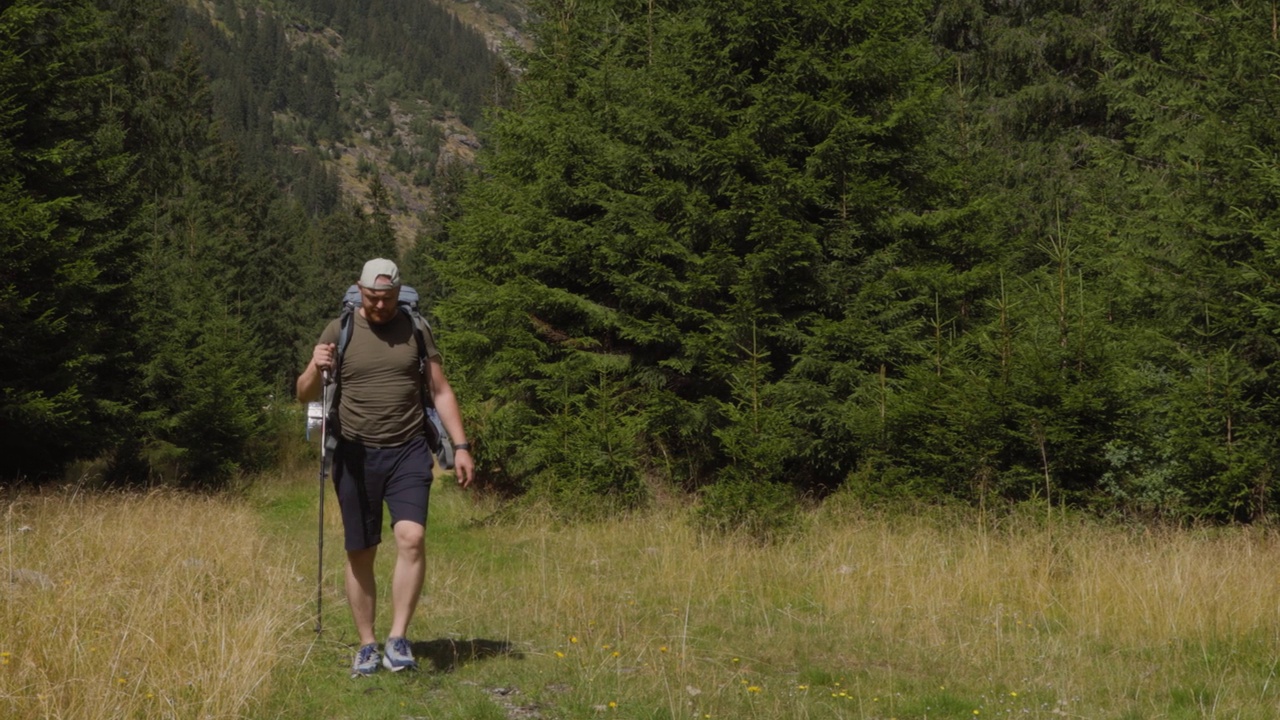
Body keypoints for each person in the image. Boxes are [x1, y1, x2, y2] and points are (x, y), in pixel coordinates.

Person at [296, 258, 474, 677]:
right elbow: (305, 394)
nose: (379, 305)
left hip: (409, 449)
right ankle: (367, 645)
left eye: (387, 297)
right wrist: (314, 364)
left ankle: (398, 639)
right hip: (355, 453)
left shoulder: (416, 329)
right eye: (372, 297)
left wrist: (461, 446)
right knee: (361, 549)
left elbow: (440, 389)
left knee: (411, 538)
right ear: (359, 290)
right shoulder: (338, 330)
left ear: (399, 292)